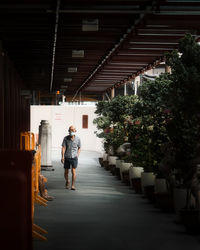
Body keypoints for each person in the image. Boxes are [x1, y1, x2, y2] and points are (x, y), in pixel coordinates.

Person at [61, 125, 81, 190]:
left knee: (73, 171)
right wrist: (62, 157)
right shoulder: (65, 138)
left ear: (75, 131)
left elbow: (79, 147)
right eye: (70, 130)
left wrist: (77, 155)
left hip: (74, 157)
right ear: (68, 131)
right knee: (66, 172)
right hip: (67, 156)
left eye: (73, 130)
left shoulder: (78, 139)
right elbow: (63, 147)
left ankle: (73, 185)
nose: (71, 131)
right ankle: (67, 181)